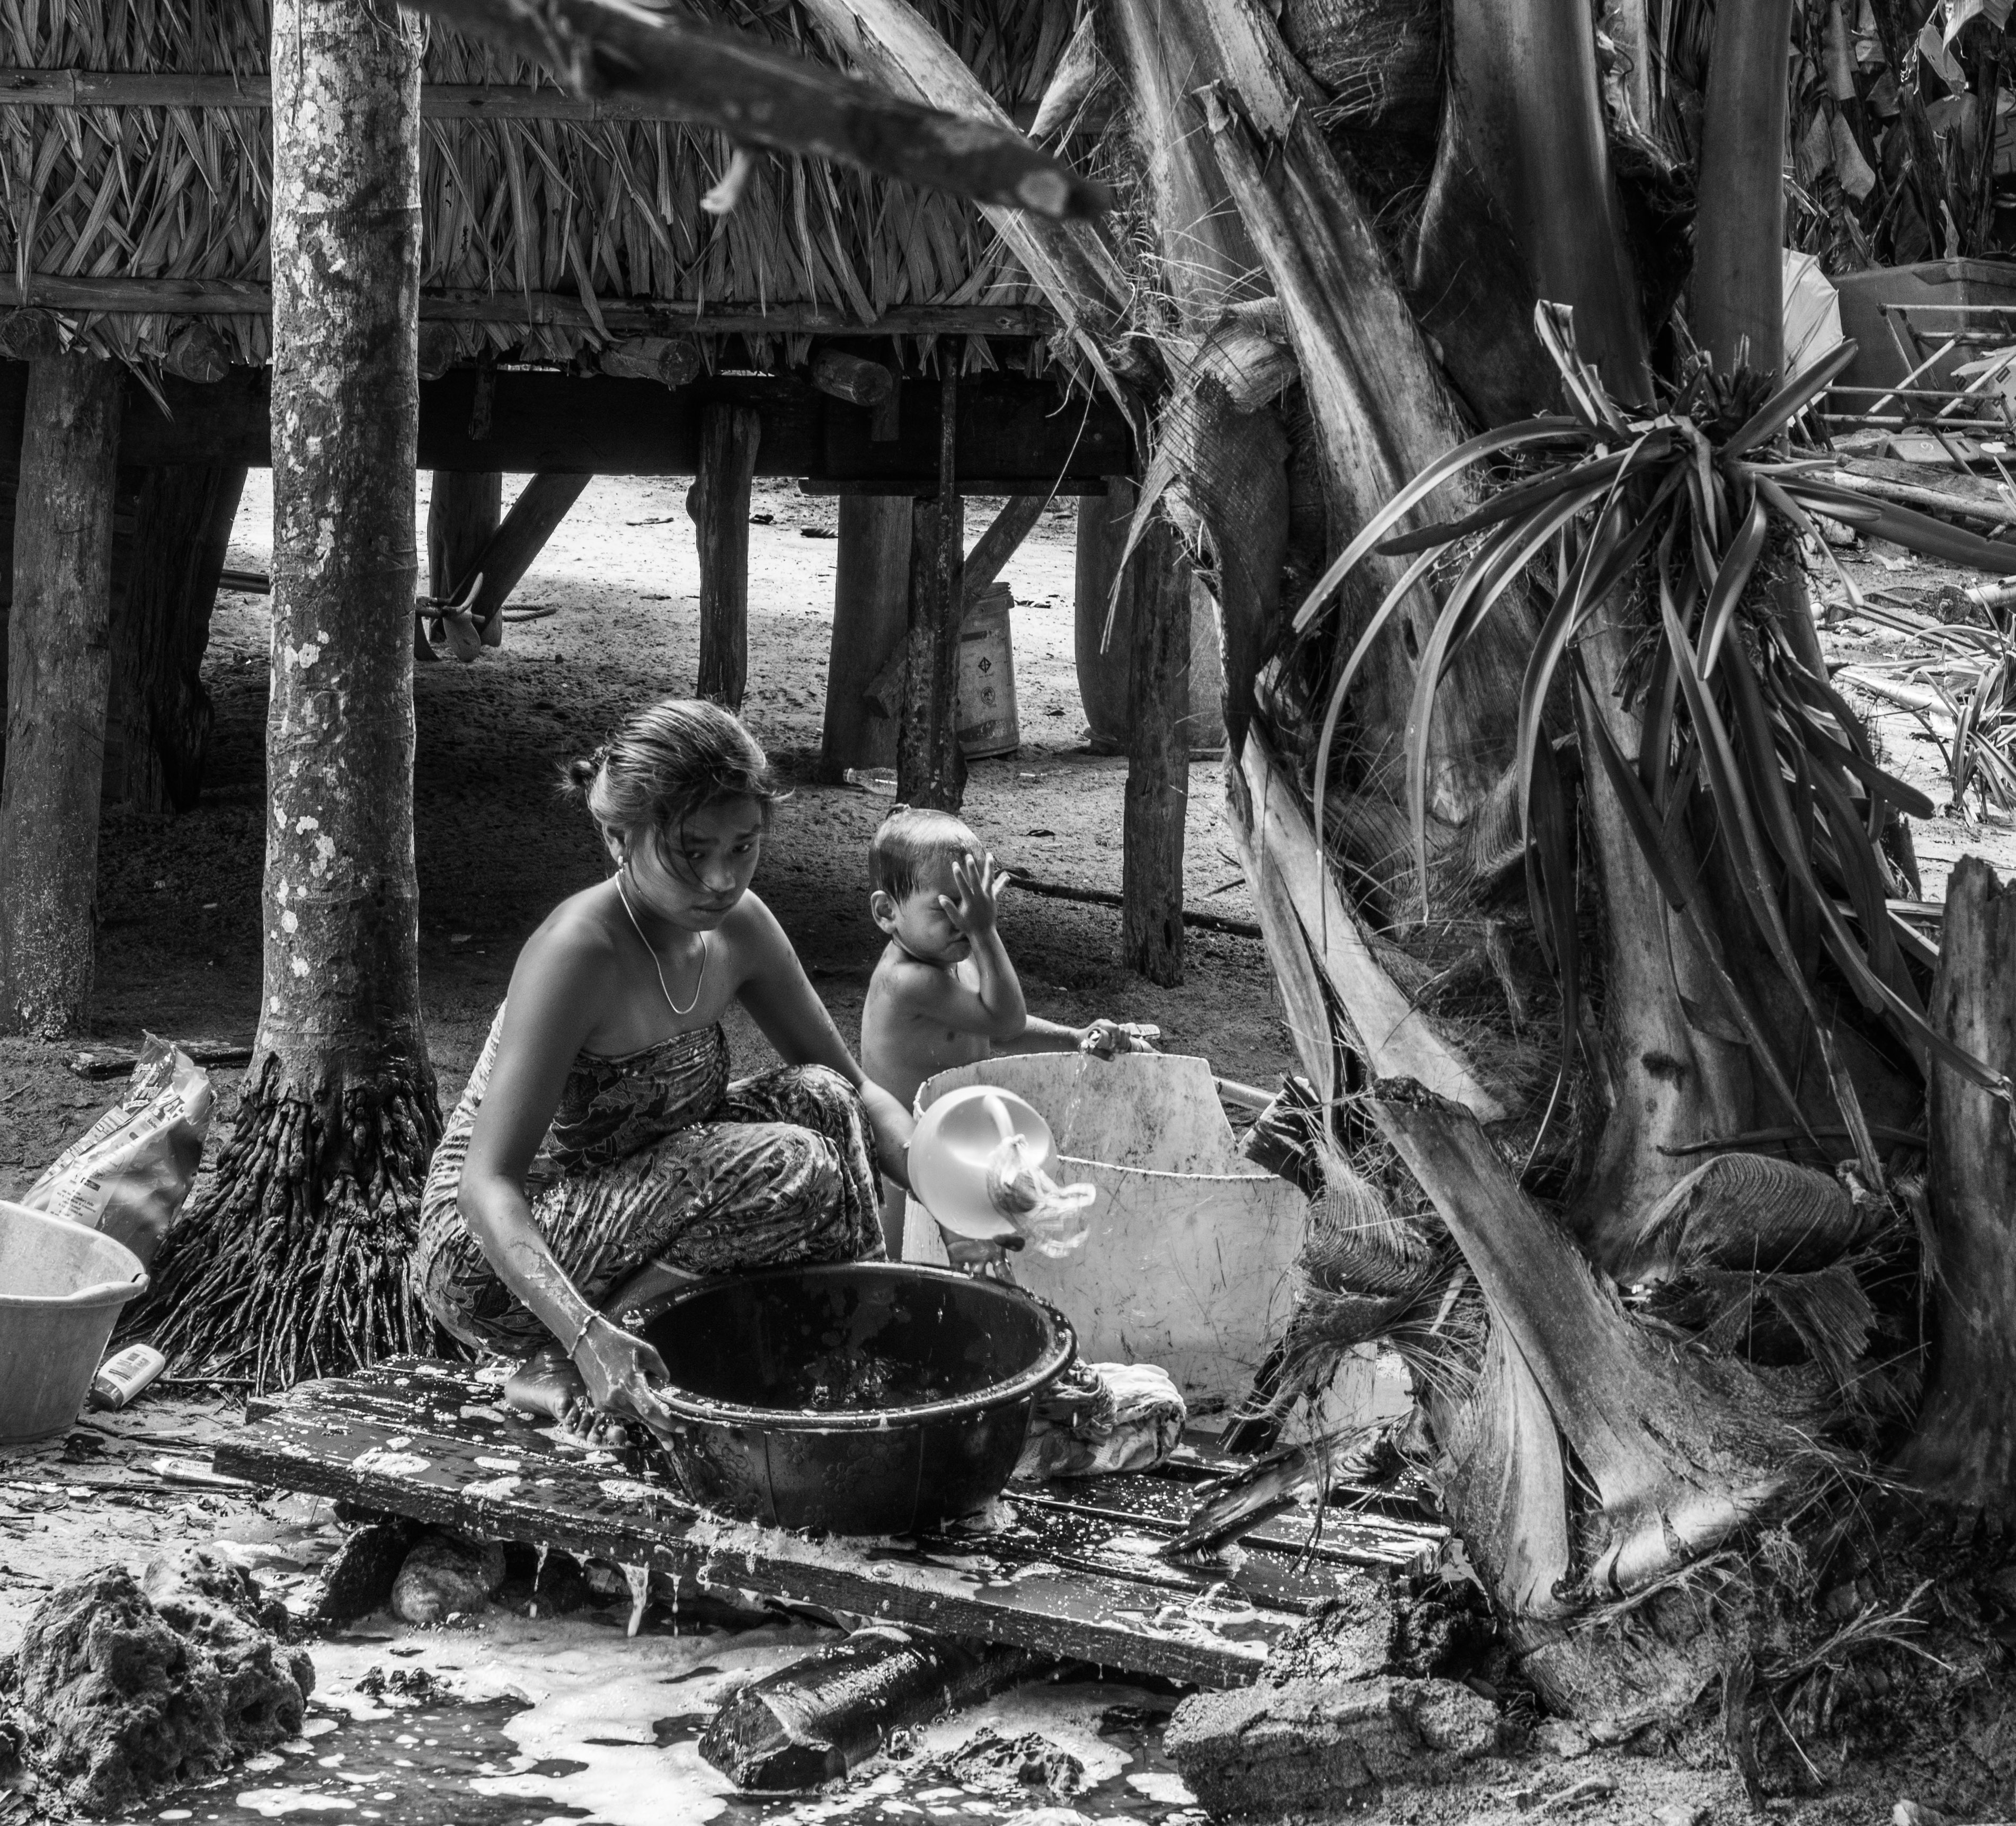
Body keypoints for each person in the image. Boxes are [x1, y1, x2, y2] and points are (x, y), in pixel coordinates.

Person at [413, 699, 912, 1441]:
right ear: (621, 837)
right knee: (789, 1161)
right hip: (494, 1258)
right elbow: (489, 1185)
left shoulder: (740, 924)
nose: (721, 878)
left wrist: (959, 1192)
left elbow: (857, 1090)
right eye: (691, 851)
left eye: (743, 847)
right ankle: (569, 1357)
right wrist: (585, 1333)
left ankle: (852, 1352)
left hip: (640, 1203)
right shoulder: (578, 949)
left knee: (822, 1100)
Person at [858, 806, 1138, 1257]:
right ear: (887, 912)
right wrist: (985, 932)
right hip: (903, 1151)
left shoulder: (952, 958)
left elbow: (1000, 1031)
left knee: (974, 1248)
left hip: (950, 1138)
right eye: (949, 906)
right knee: (909, 1257)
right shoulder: (909, 980)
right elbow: (1004, 1018)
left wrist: (1072, 1037)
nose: (965, 919)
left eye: (976, 903)